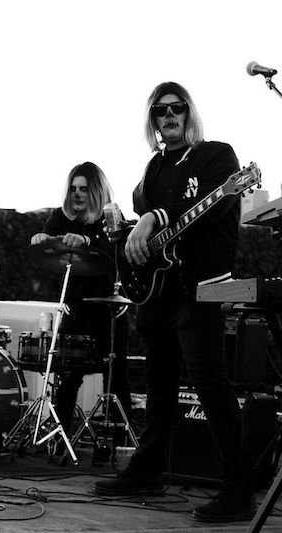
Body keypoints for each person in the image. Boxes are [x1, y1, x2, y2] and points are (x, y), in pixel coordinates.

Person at [92, 82, 255, 523]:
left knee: (209, 380)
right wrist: (134, 230)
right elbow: (146, 219)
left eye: (177, 107)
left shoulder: (216, 156)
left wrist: (155, 216)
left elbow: (214, 208)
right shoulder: (154, 168)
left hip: (203, 285)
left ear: (189, 112)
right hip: (158, 288)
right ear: (152, 121)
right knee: (158, 382)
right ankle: (147, 470)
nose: (169, 116)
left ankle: (239, 490)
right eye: (159, 111)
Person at [30, 162, 131, 438]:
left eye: (84, 189)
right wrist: (42, 239)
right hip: (76, 307)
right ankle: (60, 436)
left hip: (109, 310)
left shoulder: (111, 215)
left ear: (96, 191)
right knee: (68, 374)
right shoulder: (59, 217)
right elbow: (49, 244)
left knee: (116, 375)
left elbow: (117, 250)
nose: (76, 194)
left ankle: (121, 439)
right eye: (73, 188)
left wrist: (87, 240)